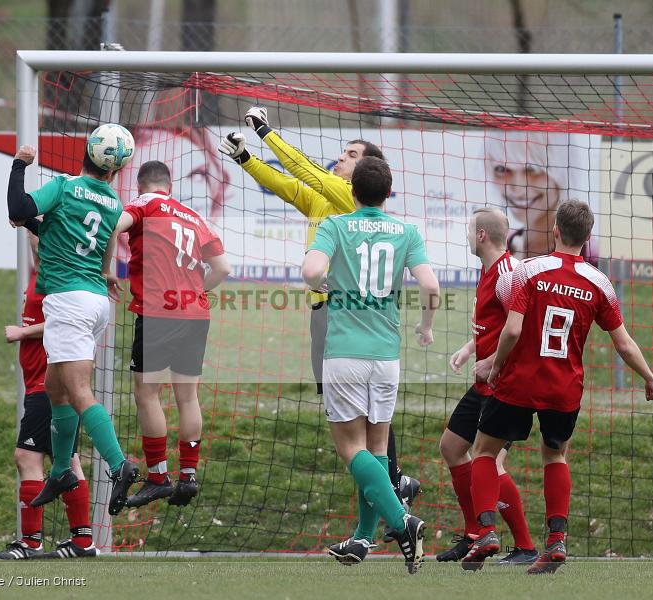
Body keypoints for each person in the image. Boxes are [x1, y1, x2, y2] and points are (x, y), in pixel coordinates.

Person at [218, 106, 421, 531]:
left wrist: (265, 135)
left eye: (350, 154)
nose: (340, 159)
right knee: (358, 416)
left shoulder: (348, 197)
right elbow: (289, 185)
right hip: (323, 312)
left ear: (366, 169)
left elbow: (305, 170)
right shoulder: (326, 198)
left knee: (356, 421)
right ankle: (388, 494)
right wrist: (246, 161)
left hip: (345, 314)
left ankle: (394, 488)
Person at [461, 200, 653, 574]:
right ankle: (556, 541)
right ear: (587, 238)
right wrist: (649, 378)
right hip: (564, 388)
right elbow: (623, 342)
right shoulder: (600, 283)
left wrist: (495, 365)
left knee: (484, 452)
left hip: (519, 382)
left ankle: (487, 531)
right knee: (555, 457)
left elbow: (513, 328)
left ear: (555, 231)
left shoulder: (526, 272)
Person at [302, 156, 440, 574]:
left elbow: (310, 271)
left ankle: (402, 523)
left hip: (345, 352)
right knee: (377, 449)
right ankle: (363, 538)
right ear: (388, 192)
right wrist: (425, 326)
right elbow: (431, 286)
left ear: (352, 191)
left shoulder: (336, 225)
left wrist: (318, 282)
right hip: (385, 355)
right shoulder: (406, 231)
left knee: (350, 448)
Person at [6, 140, 139, 517]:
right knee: (55, 388)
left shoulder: (65, 187)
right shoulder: (114, 204)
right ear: (114, 172)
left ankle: (118, 466)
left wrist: (20, 164)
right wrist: (31, 222)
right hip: (94, 301)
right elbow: (92, 249)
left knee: (79, 392)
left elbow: (19, 206)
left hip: (68, 302)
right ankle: (62, 470)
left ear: (85, 154)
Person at [104, 160, 229, 508]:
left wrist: (109, 268)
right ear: (170, 185)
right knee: (187, 397)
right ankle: (188, 475)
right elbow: (222, 268)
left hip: (159, 312)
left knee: (147, 395)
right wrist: (193, 290)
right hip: (194, 313)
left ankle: (158, 477)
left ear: (142, 185)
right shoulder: (193, 216)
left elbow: (114, 224)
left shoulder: (145, 203)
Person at [435, 207, 537, 566]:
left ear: (482, 235)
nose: (466, 235)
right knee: (451, 447)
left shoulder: (509, 272)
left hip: (505, 385)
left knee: (492, 463)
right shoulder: (488, 269)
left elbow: (520, 329)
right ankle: (475, 535)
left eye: (468, 230)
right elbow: (497, 324)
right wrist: (469, 348)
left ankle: (524, 546)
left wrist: (493, 362)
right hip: (484, 383)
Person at [0, 232, 95, 560]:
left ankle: (31, 544)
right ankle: (82, 541)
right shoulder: (39, 272)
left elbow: (69, 320)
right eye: (34, 233)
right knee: (67, 459)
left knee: (27, 458)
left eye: (42, 233)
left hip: (49, 384)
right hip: (42, 381)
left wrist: (22, 332)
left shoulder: (58, 275)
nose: (34, 238)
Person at [484, 130, 596, 261]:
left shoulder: (592, 254)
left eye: (532, 169)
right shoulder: (499, 248)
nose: (518, 188)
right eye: (501, 169)